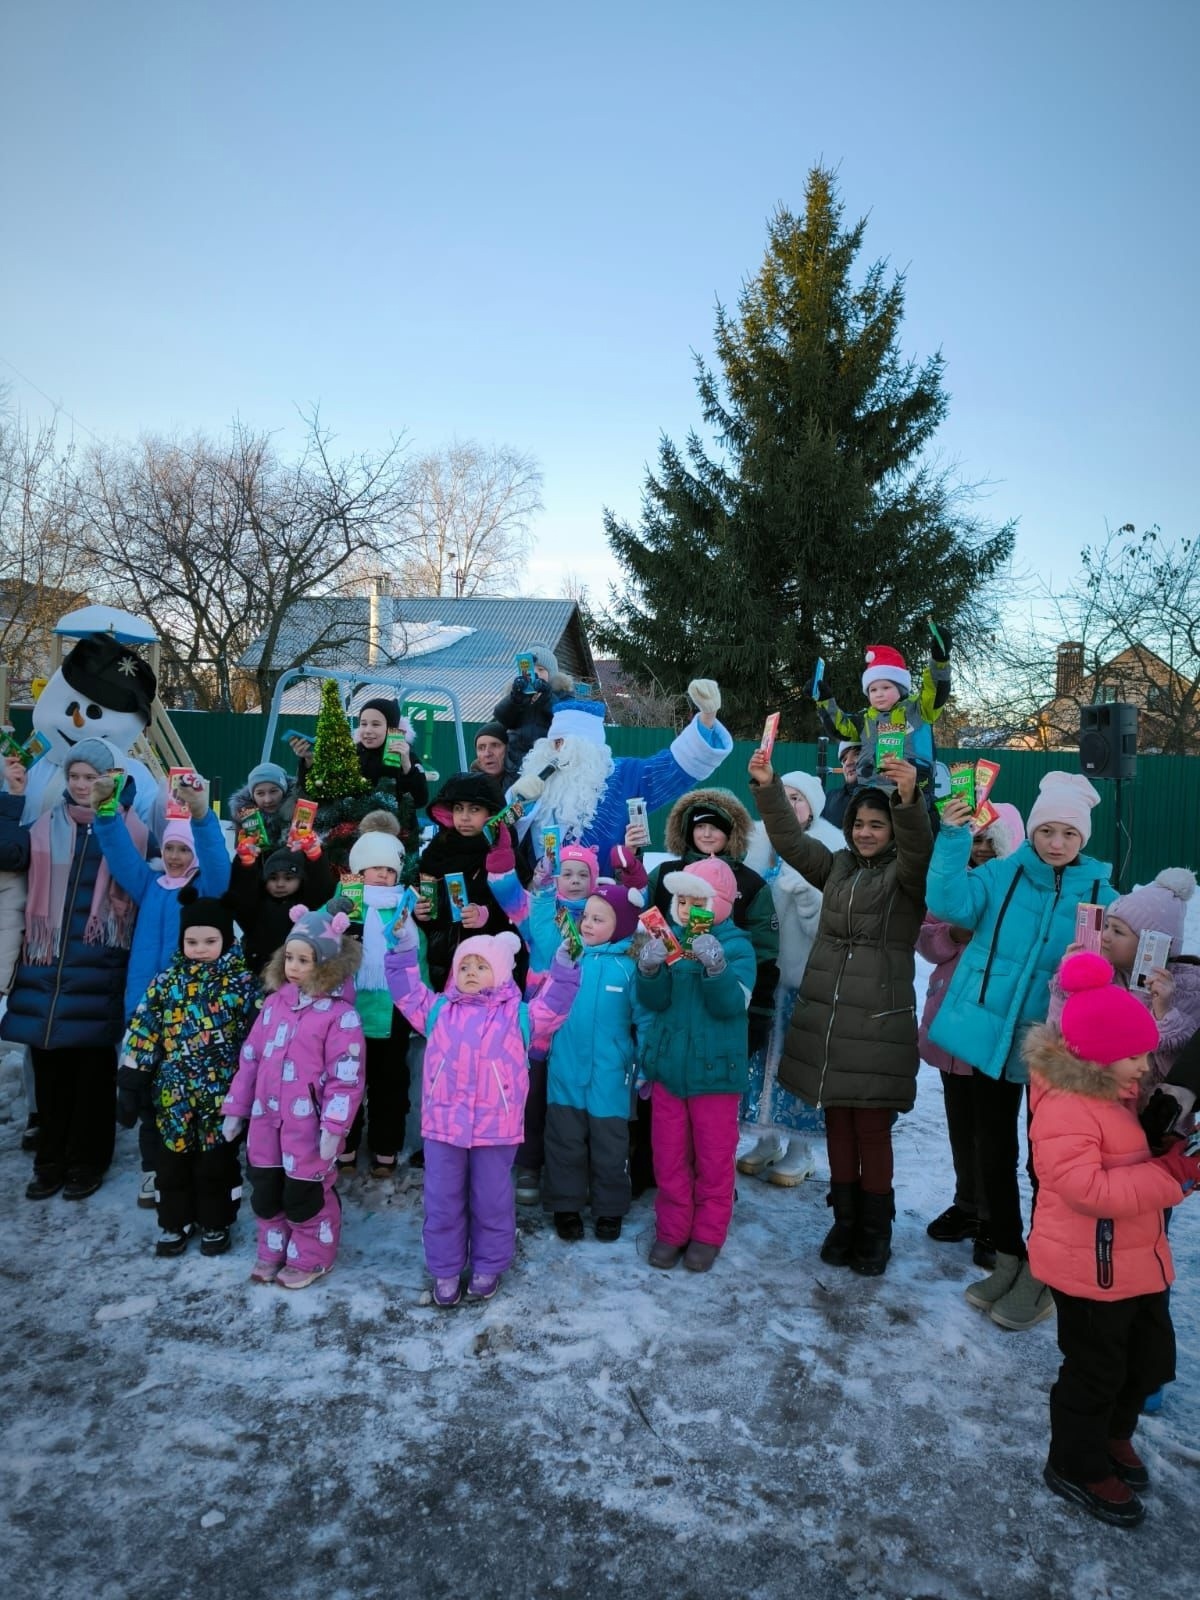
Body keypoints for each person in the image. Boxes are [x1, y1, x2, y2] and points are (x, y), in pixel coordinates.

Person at [926, 771, 1117, 1330]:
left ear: (1083, 839)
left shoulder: (1104, 893)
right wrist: (954, 837)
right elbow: (948, 901)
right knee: (993, 1154)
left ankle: (1045, 1270)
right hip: (990, 1038)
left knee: (1048, 1165)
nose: (1056, 843)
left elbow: (1124, 963)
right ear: (1032, 831)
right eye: (1047, 830)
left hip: (1056, 1051)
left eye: (1068, 834)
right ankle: (1008, 1257)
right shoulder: (1004, 874)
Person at [1025, 951, 1199, 1528]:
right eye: (1134, 1055)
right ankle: (1074, 1461)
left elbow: (1132, 1156)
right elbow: (1086, 1189)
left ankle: (1113, 1435)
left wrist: (1168, 1142)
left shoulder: (1117, 1094)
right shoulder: (1066, 1107)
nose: (1146, 1065)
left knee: (1148, 1361)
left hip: (1135, 1259)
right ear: (1094, 1056)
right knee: (1095, 1371)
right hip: (1090, 1268)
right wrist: (1171, 1175)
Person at [750, 749, 932, 1276]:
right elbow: (789, 841)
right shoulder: (838, 867)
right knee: (837, 1127)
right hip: (827, 1017)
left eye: (878, 824)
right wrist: (767, 787)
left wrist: (909, 800)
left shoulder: (908, 875)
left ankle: (876, 1231)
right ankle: (844, 1220)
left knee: (871, 1131)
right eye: (859, 823)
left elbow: (919, 846)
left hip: (876, 1020)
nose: (867, 832)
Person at [385, 924, 582, 1306]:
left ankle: (489, 1264)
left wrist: (564, 966)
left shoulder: (521, 1016)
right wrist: (405, 948)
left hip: (496, 1129)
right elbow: (407, 991)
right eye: (465, 965)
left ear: (502, 972)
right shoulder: (438, 1011)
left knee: (491, 1200)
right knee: (442, 1201)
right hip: (444, 1127)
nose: (471, 972)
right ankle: (444, 1269)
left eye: (481, 965)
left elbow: (556, 1002)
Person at [1, 739, 147, 1202]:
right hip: (46, 971)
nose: (82, 786)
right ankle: (50, 1162)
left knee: (91, 1077)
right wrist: (12, 796)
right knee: (51, 1076)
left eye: (92, 777)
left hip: (100, 968)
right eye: (75, 777)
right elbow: (7, 855)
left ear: (111, 779)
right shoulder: (44, 826)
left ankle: (87, 1161)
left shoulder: (129, 831)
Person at [221, 902, 365, 1289]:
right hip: (266, 1120)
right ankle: (273, 1248)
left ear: (326, 964)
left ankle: (313, 1255)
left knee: (304, 1195)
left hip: (309, 1124)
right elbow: (250, 1058)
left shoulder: (339, 1016)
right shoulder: (273, 1006)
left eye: (306, 960)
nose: (295, 967)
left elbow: (346, 1077)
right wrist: (236, 1108)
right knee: (266, 1191)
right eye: (290, 958)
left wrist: (334, 1126)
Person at [117, 891, 259, 1257]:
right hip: (173, 1096)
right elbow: (144, 1030)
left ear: (226, 940)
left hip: (221, 1097)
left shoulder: (242, 985)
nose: (199, 948)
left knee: (217, 1164)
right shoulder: (166, 983)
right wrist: (132, 1081)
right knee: (172, 1163)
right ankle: (174, 1220)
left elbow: (257, 1038)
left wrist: (258, 1088)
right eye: (191, 941)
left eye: (210, 941)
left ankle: (216, 1221)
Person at [637, 856, 756, 1273]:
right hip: (670, 1069)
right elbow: (655, 1002)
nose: (687, 910)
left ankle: (708, 1233)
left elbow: (731, 1006)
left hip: (716, 1075)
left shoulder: (738, 945)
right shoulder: (672, 940)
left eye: (697, 900)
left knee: (713, 1158)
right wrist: (649, 970)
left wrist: (717, 967)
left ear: (720, 903)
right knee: (668, 1157)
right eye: (682, 901)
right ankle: (671, 1230)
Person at [917, 801, 1023, 1264]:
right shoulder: (953, 884)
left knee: (994, 1131)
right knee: (960, 1123)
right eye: (975, 839)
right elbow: (926, 938)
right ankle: (967, 1203)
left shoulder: (1018, 888)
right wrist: (951, 936)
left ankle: (993, 1218)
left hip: (994, 1026)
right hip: (951, 1018)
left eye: (989, 841)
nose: (980, 849)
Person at [509, 679, 734, 869]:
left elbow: (674, 767)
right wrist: (516, 803)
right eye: (554, 743)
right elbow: (498, 837)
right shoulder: (536, 780)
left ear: (588, 746)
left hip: (601, 902)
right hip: (541, 898)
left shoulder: (623, 776)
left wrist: (707, 717)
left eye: (564, 743)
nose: (557, 751)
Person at [740, 770, 843, 1185]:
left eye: (798, 798)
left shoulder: (831, 845)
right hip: (766, 973)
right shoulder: (757, 843)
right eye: (784, 796)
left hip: (805, 976)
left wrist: (807, 897)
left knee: (799, 1061)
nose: (790, 804)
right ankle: (766, 1139)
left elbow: (832, 927)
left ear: (813, 808)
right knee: (763, 1058)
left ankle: (800, 1150)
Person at [543, 878, 647, 1243]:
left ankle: (610, 1208)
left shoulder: (630, 969)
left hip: (610, 1074)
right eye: (586, 916)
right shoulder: (569, 958)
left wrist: (644, 1066)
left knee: (610, 1146)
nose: (586, 924)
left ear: (620, 926)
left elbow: (645, 1020)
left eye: (598, 919)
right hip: (566, 1070)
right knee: (564, 1141)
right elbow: (547, 1004)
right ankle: (565, 1205)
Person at [338, 829, 413, 1180]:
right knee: (346, 1081)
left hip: (391, 1010)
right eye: (374, 867)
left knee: (389, 1084)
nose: (382, 875)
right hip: (347, 1011)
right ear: (359, 870)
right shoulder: (344, 902)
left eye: (389, 869)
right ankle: (345, 1143)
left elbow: (418, 954)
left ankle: (386, 1145)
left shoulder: (404, 906)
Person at [414, 773, 523, 994]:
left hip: (487, 958)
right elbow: (425, 892)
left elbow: (520, 907)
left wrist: (486, 914)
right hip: (442, 955)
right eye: (458, 808)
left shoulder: (504, 853)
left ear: (491, 814)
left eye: (474, 809)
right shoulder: (437, 850)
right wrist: (421, 911)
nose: (464, 817)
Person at [1098, 869, 1200, 1101]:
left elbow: (1179, 1073)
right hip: (1103, 1110)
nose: (1105, 936)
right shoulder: (1105, 977)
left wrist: (1163, 1013)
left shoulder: (1187, 991)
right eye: (1106, 926)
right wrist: (1071, 979)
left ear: (1151, 944)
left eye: (1117, 931)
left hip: (1155, 1119)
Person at [816, 628, 951, 796]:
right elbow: (840, 726)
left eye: (886, 687)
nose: (879, 694)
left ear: (901, 689)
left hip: (913, 789)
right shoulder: (866, 719)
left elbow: (935, 691)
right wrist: (824, 699)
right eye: (872, 690)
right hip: (869, 789)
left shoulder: (917, 709)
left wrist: (939, 661)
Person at [226, 837, 338, 976]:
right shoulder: (257, 906)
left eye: (288, 878)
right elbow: (243, 895)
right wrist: (246, 864)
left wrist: (315, 857)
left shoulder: (308, 904)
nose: (280, 884)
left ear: (301, 879)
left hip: (299, 978)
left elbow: (321, 886)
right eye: (273, 878)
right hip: (259, 976)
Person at [490, 644, 575, 781]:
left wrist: (547, 697)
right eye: (531, 669)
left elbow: (565, 719)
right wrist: (515, 699)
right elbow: (502, 717)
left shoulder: (562, 694)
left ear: (552, 674)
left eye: (541, 670)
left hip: (548, 767)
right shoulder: (516, 694)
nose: (536, 674)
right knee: (514, 801)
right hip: (516, 767)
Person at [228, 760, 300, 848]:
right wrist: (246, 854)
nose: (268, 800)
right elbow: (240, 857)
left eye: (273, 791)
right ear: (252, 796)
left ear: (284, 791)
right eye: (260, 793)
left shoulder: (301, 813)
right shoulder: (245, 817)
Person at [821, 742, 861, 829]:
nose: (848, 763)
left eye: (857, 754)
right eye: (844, 760)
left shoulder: (892, 797)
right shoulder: (829, 798)